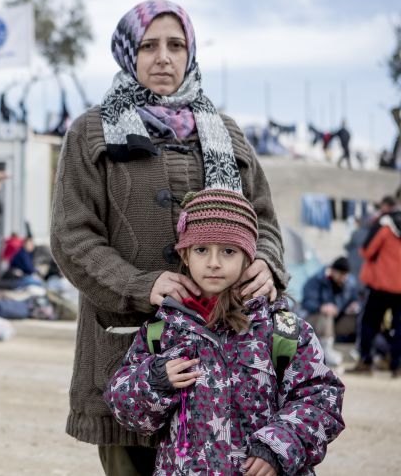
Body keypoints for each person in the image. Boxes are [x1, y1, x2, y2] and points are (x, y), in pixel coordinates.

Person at [50, 0, 288, 475]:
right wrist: (140, 285)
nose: (164, 58)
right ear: (127, 53)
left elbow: (262, 222)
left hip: (225, 356)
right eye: (149, 45)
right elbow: (71, 236)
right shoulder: (91, 133)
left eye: (176, 45)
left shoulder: (227, 134)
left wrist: (266, 261)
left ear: (190, 53)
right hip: (125, 348)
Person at [104, 189, 345, 475]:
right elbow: (125, 408)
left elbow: (321, 399)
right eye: (202, 250)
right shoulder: (162, 331)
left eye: (228, 251)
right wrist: (156, 381)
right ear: (185, 254)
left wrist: (278, 445)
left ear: (249, 257)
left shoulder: (282, 331)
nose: (214, 262)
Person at [348, 206, 401, 377]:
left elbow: (366, 250)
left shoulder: (385, 227)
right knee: (399, 327)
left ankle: (365, 362)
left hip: (380, 285)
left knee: (369, 323)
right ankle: (397, 366)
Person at [300, 257, 359, 366]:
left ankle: (357, 349)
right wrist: (322, 307)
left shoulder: (348, 284)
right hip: (316, 321)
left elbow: (355, 298)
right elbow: (306, 303)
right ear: (332, 271)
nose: (344, 278)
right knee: (326, 315)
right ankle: (326, 351)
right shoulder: (315, 281)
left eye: (345, 275)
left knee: (358, 317)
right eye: (341, 274)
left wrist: (354, 304)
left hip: (337, 321)